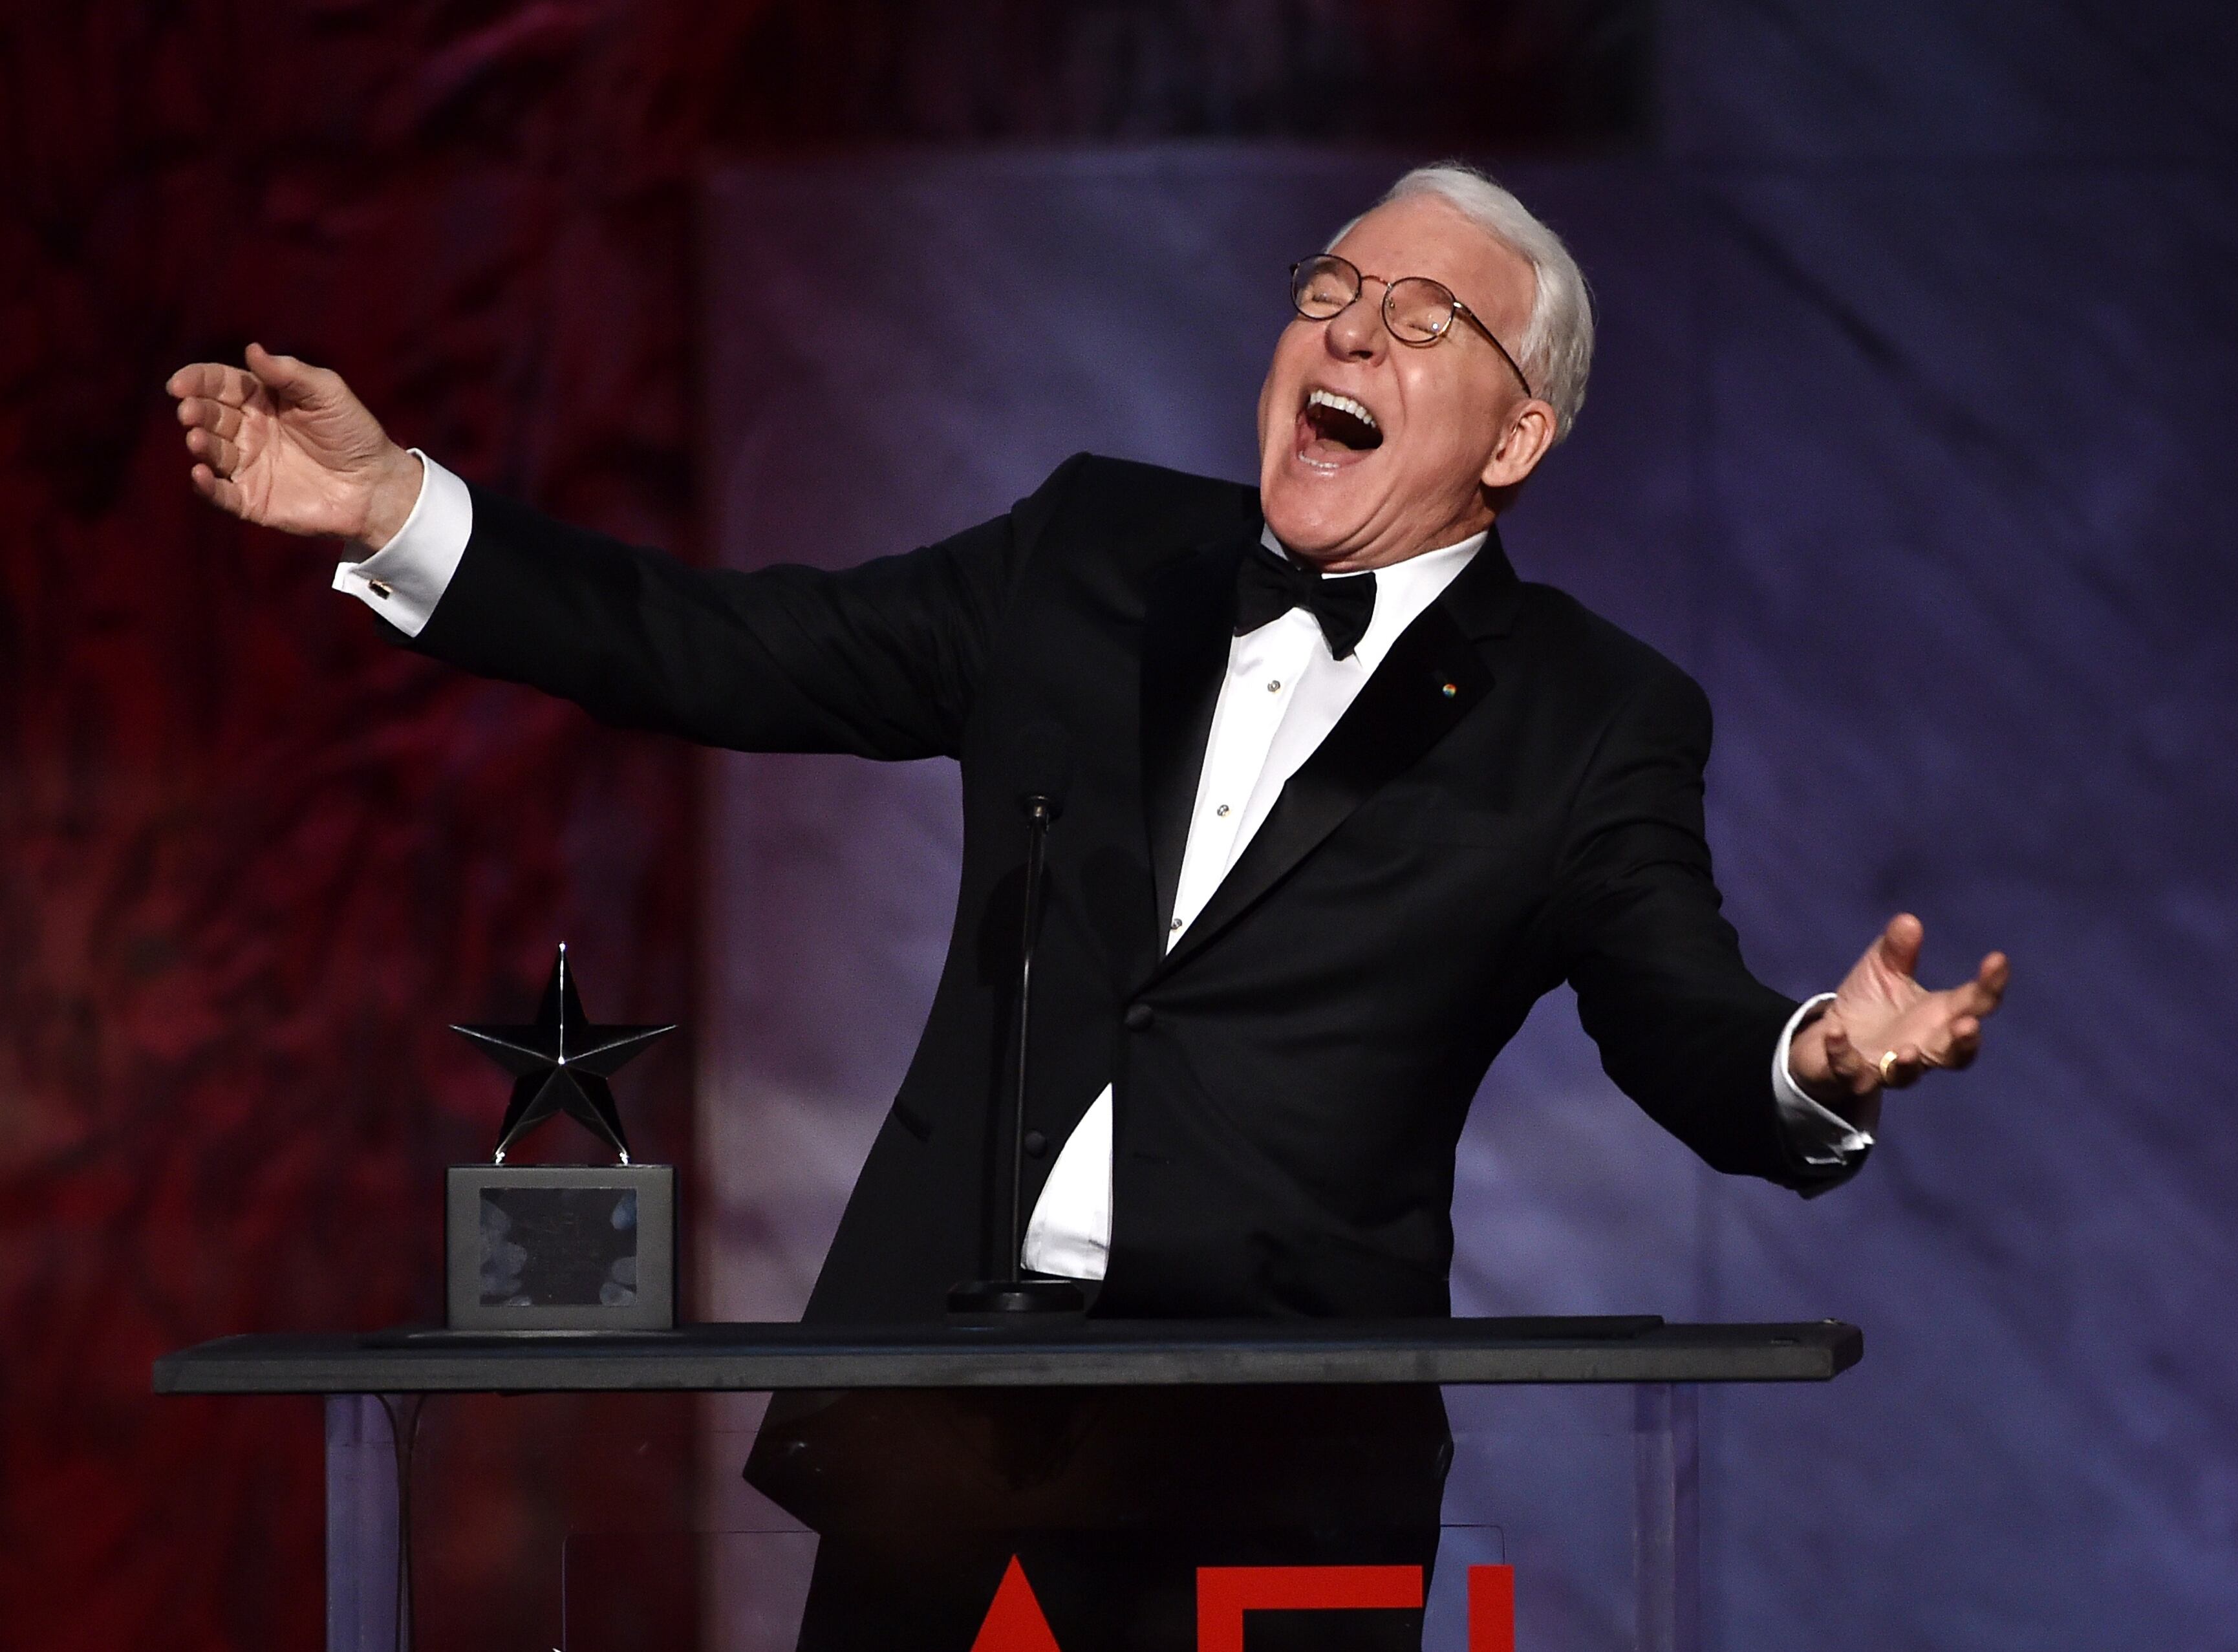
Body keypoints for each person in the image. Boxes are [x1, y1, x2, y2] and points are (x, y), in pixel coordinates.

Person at [169, 162, 2008, 1648]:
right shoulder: (1095, 552)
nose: (1346, 327)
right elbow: (735, 649)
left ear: (1514, 442)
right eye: (1328, 290)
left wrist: (1814, 1056)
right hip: (948, 1429)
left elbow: (1674, 1007)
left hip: (1277, 1471)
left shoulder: (1593, 717)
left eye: (1417, 315)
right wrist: (400, 511)